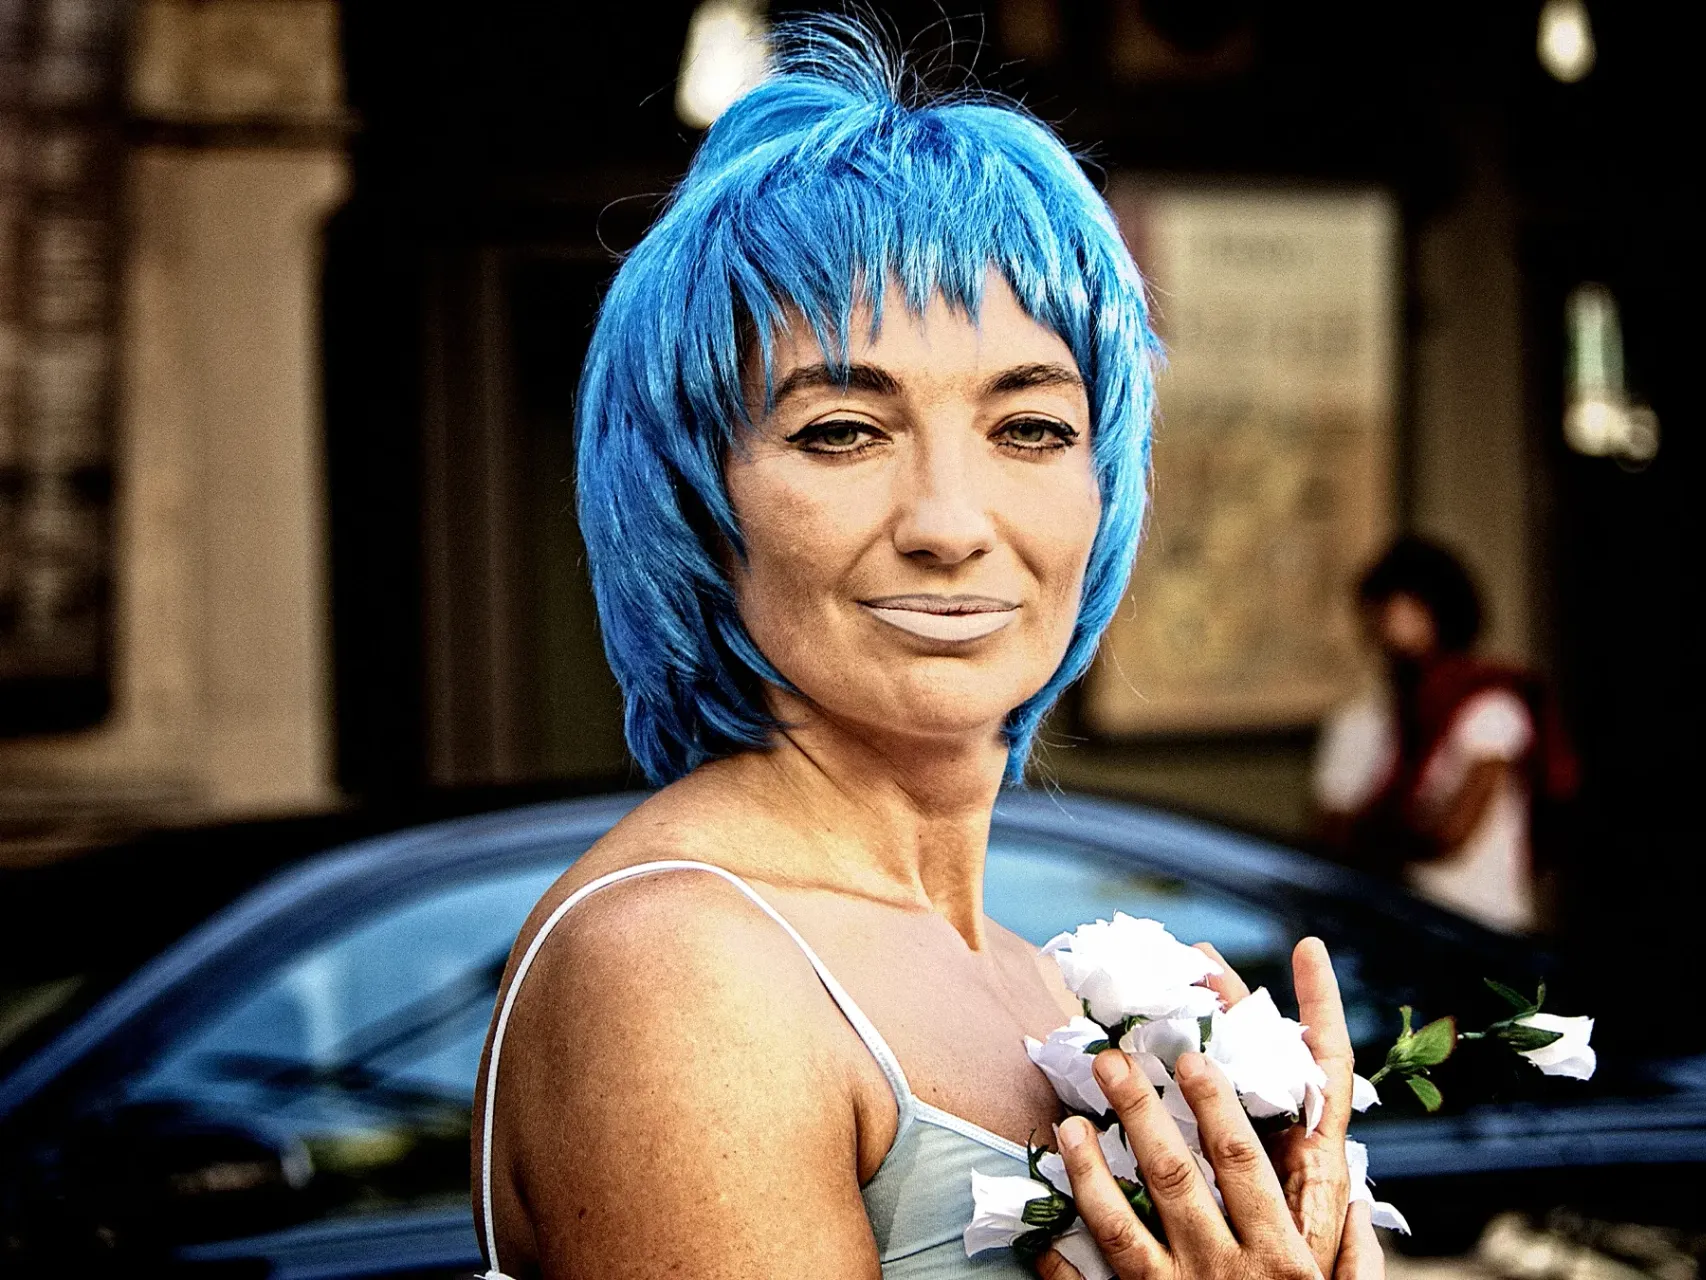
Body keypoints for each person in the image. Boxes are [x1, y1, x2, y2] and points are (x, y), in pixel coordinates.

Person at [470, 18, 1386, 1280]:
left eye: (1030, 426)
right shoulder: (685, 967)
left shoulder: (1031, 980)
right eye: (842, 430)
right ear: (693, 497)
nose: (951, 524)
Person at [1313, 536, 1578, 934]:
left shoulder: (1488, 709)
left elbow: (1453, 833)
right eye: (1379, 612)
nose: (1384, 627)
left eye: (1403, 610)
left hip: (1475, 927)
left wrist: (1375, 833)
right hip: (1383, 926)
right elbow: (1326, 829)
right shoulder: (1362, 720)